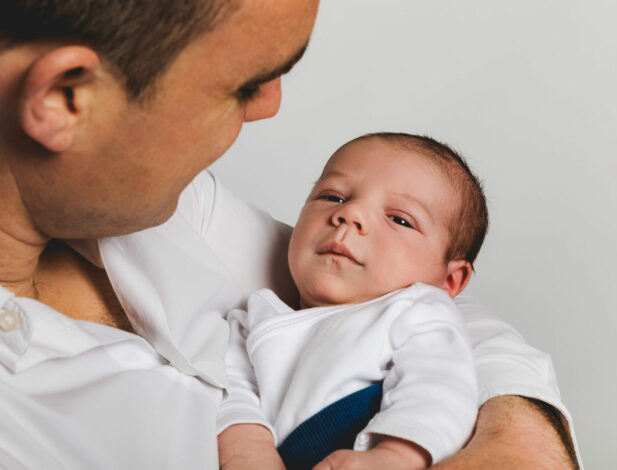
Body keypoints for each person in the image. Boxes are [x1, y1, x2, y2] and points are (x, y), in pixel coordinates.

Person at [0, 1, 580, 469]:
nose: (271, 104)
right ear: (65, 96)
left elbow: (435, 312)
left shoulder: (151, 204)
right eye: (243, 84)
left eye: (397, 217)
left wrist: (518, 446)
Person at [221, 133, 485, 469]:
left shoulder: (418, 314)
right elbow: (230, 396)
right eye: (332, 197)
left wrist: (394, 457)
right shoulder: (253, 319)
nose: (351, 215)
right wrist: (247, 452)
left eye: (399, 219)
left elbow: (439, 390)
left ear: (449, 280)